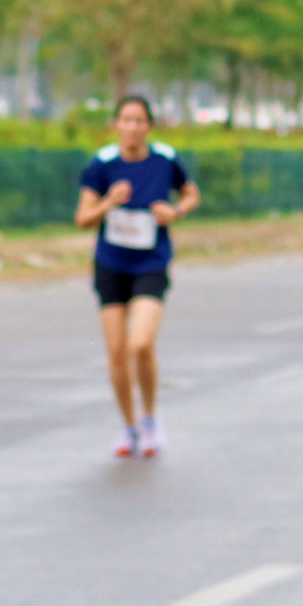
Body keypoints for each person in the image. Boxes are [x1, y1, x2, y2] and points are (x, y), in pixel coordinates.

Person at [75, 94, 201, 459]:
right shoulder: (102, 164)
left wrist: (175, 212)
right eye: (126, 120)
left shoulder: (164, 159)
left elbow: (192, 195)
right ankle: (128, 426)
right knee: (117, 351)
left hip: (151, 262)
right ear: (116, 124)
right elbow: (82, 218)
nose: (132, 127)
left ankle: (150, 419)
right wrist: (108, 203)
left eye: (139, 120)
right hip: (111, 264)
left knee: (140, 344)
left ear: (149, 125)